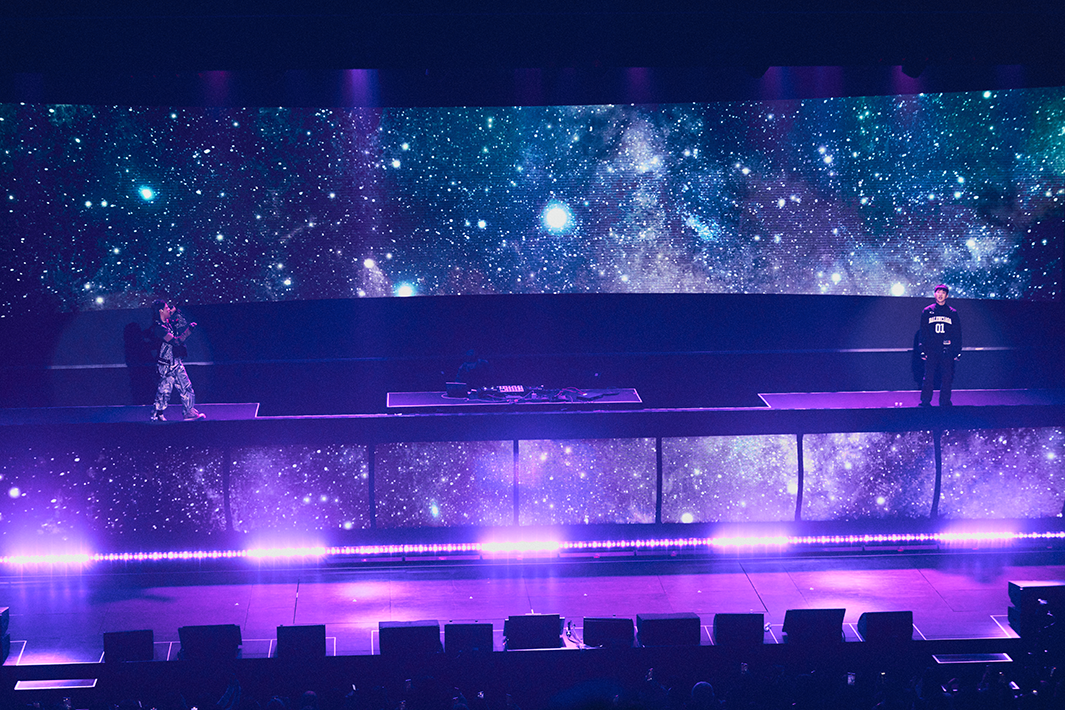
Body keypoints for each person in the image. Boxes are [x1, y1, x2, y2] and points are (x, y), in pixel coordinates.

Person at [149, 298, 205, 421]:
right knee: (164, 391)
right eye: (166, 308)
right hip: (166, 365)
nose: (169, 310)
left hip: (176, 361)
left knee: (186, 386)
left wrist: (176, 307)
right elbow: (176, 341)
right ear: (160, 311)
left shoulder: (167, 323)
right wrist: (188, 331)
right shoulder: (159, 329)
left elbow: (173, 312)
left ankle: (189, 411)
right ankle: (157, 414)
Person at [919, 284, 962, 407]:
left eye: (943, 292)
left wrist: (957, 351)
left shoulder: (952, 312)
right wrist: (922, 349)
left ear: (947, 296)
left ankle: (945, 402)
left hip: (946, 350)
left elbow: (957, 333)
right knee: (928, 377)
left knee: (947, 377)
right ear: (934, 294)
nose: (940, 295)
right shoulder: (927, 311)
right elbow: (923, 331)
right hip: (931, 350)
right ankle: (925, 401)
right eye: (938, 292)